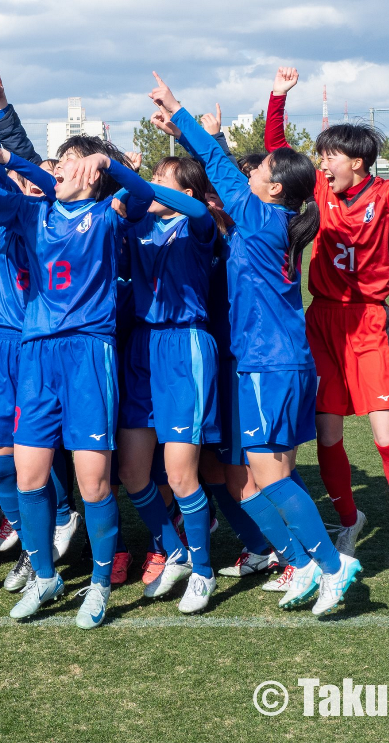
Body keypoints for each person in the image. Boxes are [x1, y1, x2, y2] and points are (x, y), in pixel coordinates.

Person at [149, 75, 361, 616]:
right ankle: (305, 563)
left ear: (272, 188)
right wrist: (181, 126)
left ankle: (334, 567)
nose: (252, 172)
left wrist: (180, 111)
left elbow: (218, 170)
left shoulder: (264, 218)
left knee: (269, 474)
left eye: (261, 170)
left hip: (271, 363)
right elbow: (222, 181)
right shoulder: (273, 218)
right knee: (261, 476)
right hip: (268, 362)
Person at [0, 132, 156, 629]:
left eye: (74, 162)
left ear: (91, 173)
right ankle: (44, 575)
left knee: (93, 484)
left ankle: (97, 586)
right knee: (29, 477)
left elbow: (143, 195)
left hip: (89, 355)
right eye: (63, 162)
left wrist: (109, 165)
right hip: (36, 355)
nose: (65, 168)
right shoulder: (35, 214)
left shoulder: (108, 212)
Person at [266, 68, 389, 575]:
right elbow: (277, 152)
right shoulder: (321, 192)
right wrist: (277, 97)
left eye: (329, 156)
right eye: (321, 155)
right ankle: (350, 520)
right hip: (322, 320)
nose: (321, 163)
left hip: (368, 323)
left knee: (385, 435)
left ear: (358, 162)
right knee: (326, 434)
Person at [120, 155, 225, 613]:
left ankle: (203, 571)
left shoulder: (198, 227)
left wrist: (134, 179)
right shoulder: (139, 225)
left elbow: (201, 211)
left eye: (162, 179)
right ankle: (176, 553)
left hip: (186, 345)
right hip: (142, 347)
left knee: (182, 475)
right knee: (133, 473)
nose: (152, 185)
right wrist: (125, 181)